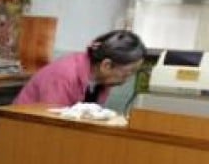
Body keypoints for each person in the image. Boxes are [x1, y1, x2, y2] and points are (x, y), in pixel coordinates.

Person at [13, 29, 146, 106]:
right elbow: (52, 122)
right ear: (106, 65)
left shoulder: (102, 81)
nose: (128, 78)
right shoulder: (64, 75)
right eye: (128, 72)